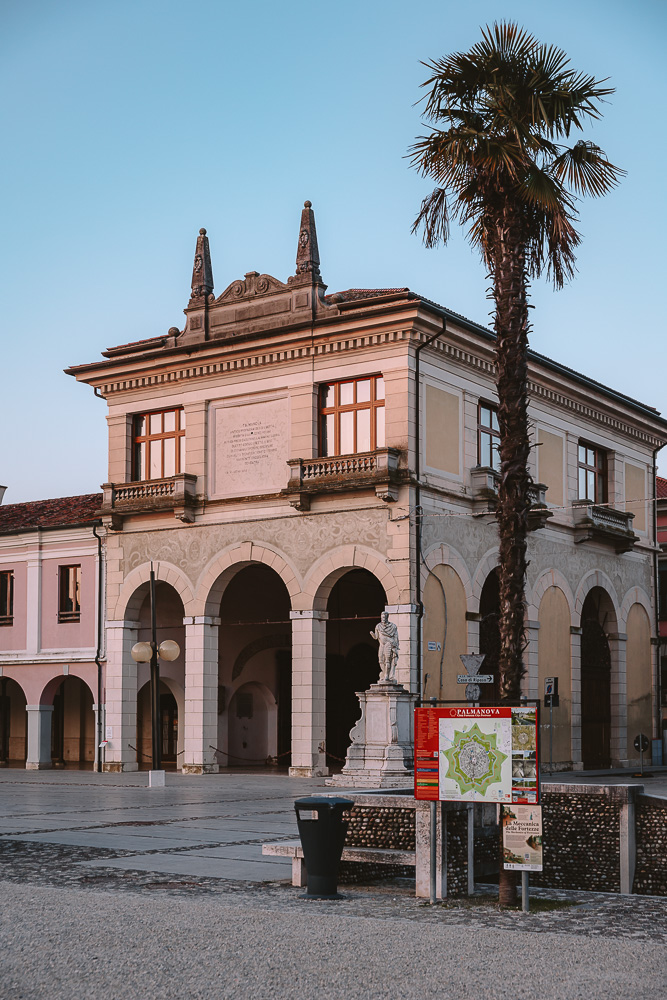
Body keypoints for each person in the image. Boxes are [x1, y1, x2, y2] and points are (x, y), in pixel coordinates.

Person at [370, 611, 399, 682]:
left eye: (384, 617)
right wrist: (372, 634)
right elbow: (376, 637)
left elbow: (395, 637)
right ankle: (385, 673)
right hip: (381, 645)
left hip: (389, 644)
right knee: (381, 660)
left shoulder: (392, 626)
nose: (383, 618)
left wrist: (395, 645)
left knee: (387, 660)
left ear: (387, 617)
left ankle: (387, 675)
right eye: (382, 617)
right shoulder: (378, 626)